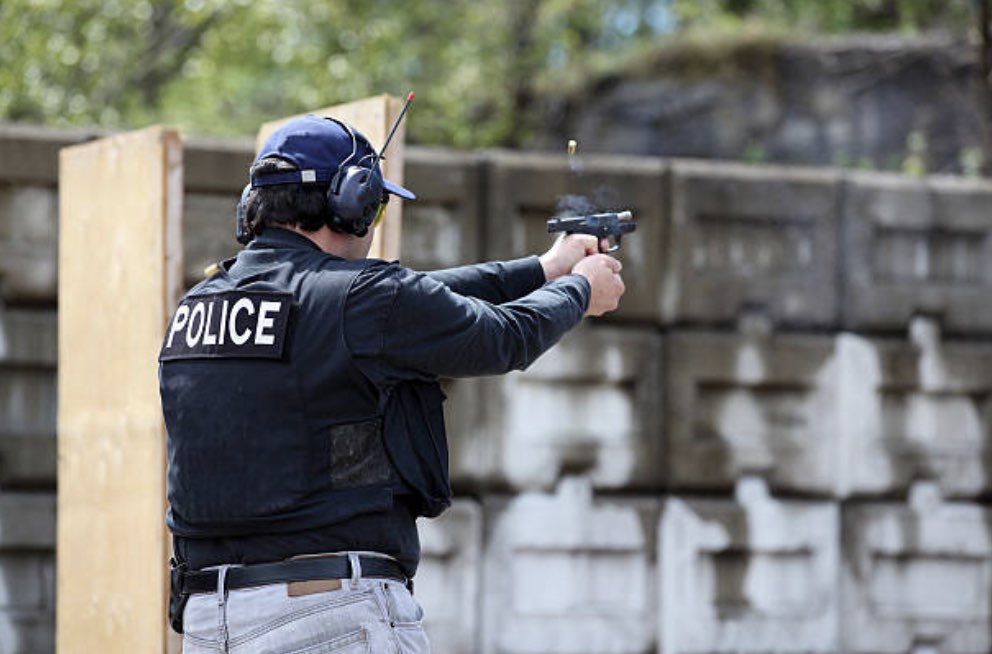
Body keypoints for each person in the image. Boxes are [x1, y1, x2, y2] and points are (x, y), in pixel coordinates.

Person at [159, 114, 625, 653]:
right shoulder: (361, 301)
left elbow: (408, 296)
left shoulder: (196, 307)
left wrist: (545, 268)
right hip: (327, 611)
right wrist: (579, 291)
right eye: (376, 204)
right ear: (350, 203)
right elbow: (502, 338)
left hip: (208, 621)